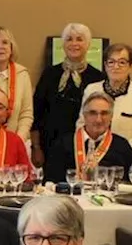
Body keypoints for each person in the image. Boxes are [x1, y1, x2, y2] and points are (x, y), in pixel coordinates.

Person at [31, 22, 104, 169]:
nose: (74, 43)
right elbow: (37, 113)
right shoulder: (49, 74)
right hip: (50, 146)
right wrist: (36, 147)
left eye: (79, 39)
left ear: (88, 44)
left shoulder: (98, 77)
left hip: (83, 149)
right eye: (69, 39)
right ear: (63, 44)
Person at [45, 93, 132, 188]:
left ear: (111, 117)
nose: (98, 120)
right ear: (84, 116)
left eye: (104, 113)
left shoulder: (122, 145)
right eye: (93, 113)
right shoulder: (63, 143)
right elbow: (49, 183)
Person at [81, 42, 132, 162]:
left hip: (125, 159)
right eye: (111, 62)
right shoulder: (91, 90)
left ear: (130, 67)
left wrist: (123, 151)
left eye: (122, 62)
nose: (116, 67)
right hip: (91, 157)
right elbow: (82, 123)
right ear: (105, 65)